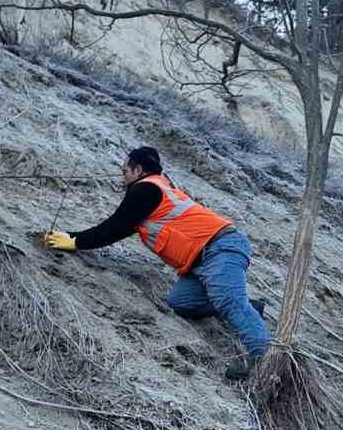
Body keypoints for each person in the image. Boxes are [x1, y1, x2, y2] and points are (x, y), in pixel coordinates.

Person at [42, 147, 269, 380]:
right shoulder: (156, 189)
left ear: (138, 170)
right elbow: (118, 227)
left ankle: (263, 358)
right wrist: (73, 237)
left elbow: (113, 228)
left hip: (219, 247)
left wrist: (75, 241)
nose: (123, 177)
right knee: (180, 302)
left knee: (228, 300)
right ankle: (251, 308)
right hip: (199, 261)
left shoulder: (146, 189)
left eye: (125, 171)